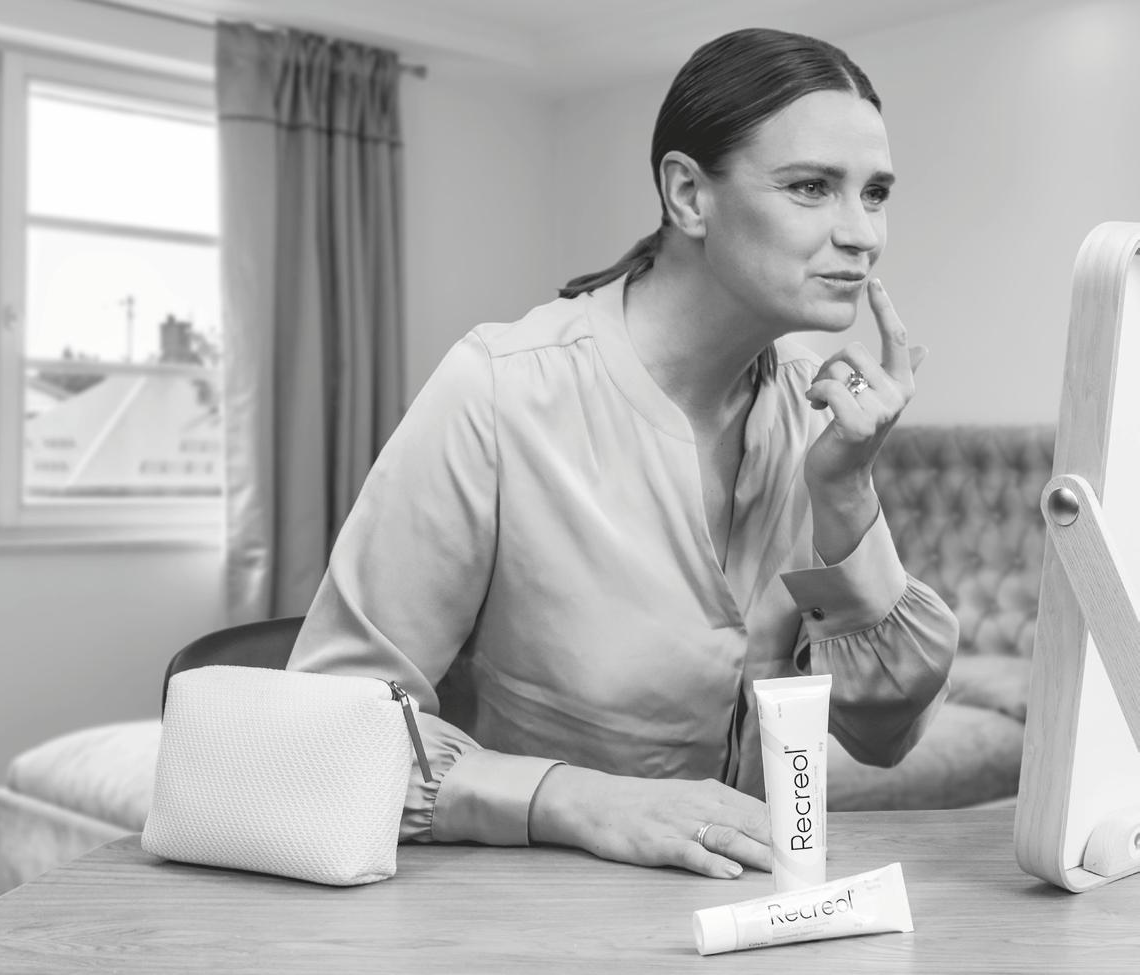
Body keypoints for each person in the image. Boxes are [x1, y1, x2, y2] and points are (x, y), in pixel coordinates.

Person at [289, 27, 958, 880]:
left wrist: (847, 494)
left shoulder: (814, 406)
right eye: (810, 187)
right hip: (517, 914)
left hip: (750, 908)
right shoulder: (498, 391)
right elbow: (325, 734)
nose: (861, 233)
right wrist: (575, 800)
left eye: (875, 193)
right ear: (688, 194)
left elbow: (885, 734)